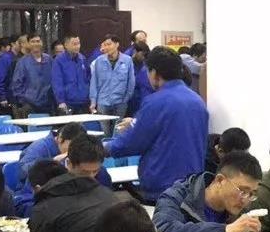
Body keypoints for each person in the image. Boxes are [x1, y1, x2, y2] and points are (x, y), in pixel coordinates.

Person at [105, 46, 210, 202]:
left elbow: (132, 142)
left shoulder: (155, 102)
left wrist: (104, 148)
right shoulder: (198, 101)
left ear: (154, 73)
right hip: (194, 186)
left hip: (164, 188)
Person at [28, 133, 120, 232]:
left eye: (95, 172)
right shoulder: (110, 197)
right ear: (68, 163)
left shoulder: (46, 204)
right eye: (85, 173)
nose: (90, 178)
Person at [154, 151, 263, 232]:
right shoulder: (177, 197)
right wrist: (225, 231)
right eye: (242, 191)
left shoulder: (242, 213)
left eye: (252, 194)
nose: (245, 200)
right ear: (220, 180)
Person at [15, 120, 88, 217]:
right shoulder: (39, 147)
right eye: (71, 146)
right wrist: (52, 162)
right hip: (31, 194)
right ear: (60, 139)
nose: (74, 150)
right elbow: (22, 171)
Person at [89, 35, 135, 133]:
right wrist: (93, 101)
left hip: (120, 102)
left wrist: (126, 98)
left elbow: (131, 82)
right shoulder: (99, 60)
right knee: (104, 131)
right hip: (103, 102)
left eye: (109, 44)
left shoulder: (127, 60)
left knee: (118, 131)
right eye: (105, 45)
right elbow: (94, 82)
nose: (106, 47)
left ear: (117, 44)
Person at [11, 33, 53, 115]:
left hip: (48, 104)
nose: (36, 44)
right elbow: (17, 84)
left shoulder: (49, 60)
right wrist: (23, 101)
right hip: (29, 105)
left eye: (38, 41)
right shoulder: (22, 62)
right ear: (28, 44)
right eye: (33, 41)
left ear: (42, 42)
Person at [51, 33, 91, 114]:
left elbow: (88, 77)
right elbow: (57, 82)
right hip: (67, 103)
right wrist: (61, 101)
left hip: (84, 102)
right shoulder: (59, 60)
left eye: (78, 43)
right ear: (66, 45)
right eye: (74, 44)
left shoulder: (82, 58)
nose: (77, 46)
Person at [0, 33, 26, 110]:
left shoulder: (22, 57)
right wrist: (2, 97)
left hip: (21, 97)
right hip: (9, 97)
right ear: (13, 44)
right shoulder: (5, 58)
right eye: (19, 42)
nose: (21, 45)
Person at [128, 41, 153, 116]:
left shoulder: (146, 69)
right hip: (130, 103)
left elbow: (146, 93)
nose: (143, 57)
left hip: (141, 105)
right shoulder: (129, 63)